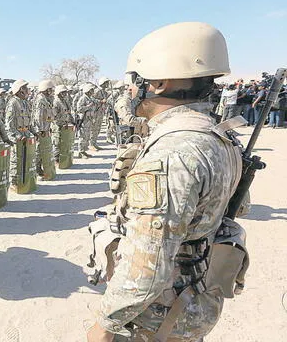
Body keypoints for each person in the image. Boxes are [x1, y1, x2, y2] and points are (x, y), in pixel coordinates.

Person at [87, 22, 242, 342]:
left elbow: (147, 266)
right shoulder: (217, 135)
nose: (128, 90)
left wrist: (105, 324)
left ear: (158, 82)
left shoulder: (173, 153)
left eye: (133, 80)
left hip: (157, 319)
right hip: (192, 303)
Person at [5, 79, 36, 193]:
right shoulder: (13, 103)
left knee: (27, 159)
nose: (28, 91)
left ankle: (25, 181)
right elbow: (8, 125)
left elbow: (29, 121)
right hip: (18, 137)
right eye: (25, 88)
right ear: (20, 90)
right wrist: (17, 136)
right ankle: (14, 183)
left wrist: (34, 132)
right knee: (16, 160)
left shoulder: (26, 102)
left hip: (26, 135)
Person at [31, 79, 57, 180]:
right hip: (40, 130)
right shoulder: (40, 100)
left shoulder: (47, 99)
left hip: (45, 128)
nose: (51, 91)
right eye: (50, 89)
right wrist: (40, 131)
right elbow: (38, 116)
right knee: (38, 151)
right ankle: (37, 170)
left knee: (44, 151)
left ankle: (41, 169)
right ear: (45, 89)